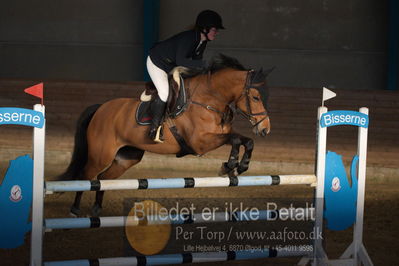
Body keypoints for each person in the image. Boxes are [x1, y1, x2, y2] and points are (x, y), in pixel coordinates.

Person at [146, 9, 225, 142]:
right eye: (214, 29)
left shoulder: (202, 41)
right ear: (204, 29)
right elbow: (182, 61)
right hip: (157, 62)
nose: (216, 32)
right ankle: (154, 129)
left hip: (171, 66)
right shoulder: (189, 38)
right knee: (165, 93)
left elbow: (194, 63)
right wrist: (205, 64)